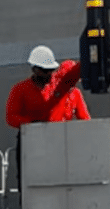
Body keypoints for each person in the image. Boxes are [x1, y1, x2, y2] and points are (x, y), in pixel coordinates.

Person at [6, 45, 87, 194]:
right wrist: (31, 125)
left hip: (58, 141)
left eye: (51, 70)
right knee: (28, 182)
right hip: (30, 143)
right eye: (45, 70)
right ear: (34, 69)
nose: (49, 74)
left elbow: (72, 74)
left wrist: (91, 50)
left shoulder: (59, 86)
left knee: (60, 180)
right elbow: (11, 117)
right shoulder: (20, 89)